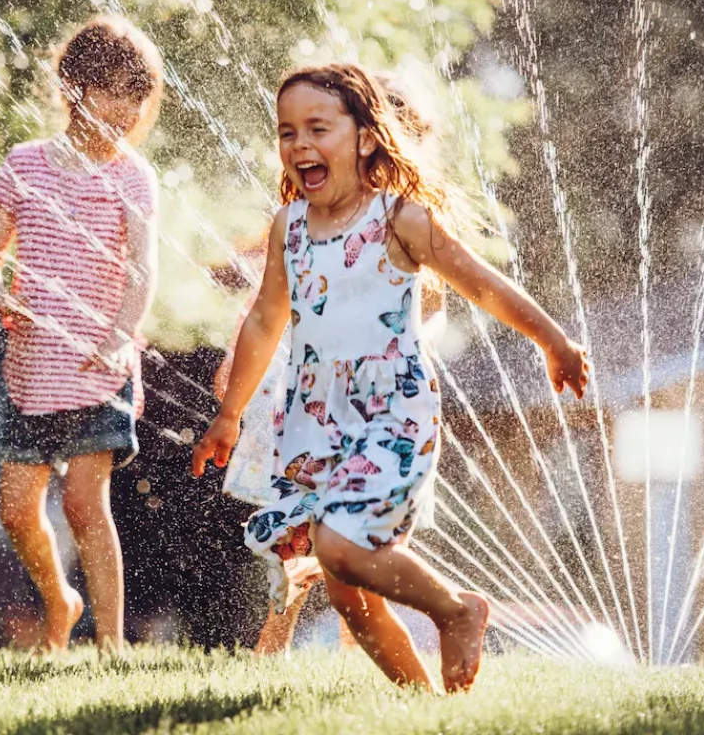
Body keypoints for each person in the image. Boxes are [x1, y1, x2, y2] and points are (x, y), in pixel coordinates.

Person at [192, 63, 588, 693]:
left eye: (317, 128)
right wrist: (230, 412)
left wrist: (553, 339)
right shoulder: (288, 227)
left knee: (341, 547)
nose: (299, 145)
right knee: (351, 597)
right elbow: (266, 320)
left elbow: (480, 284)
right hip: (314, 422)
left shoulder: (399, 218)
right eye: (286, 131)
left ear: (366, 138)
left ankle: (457, 610)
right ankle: (426, 707)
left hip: (390, 414)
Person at [213, 73, 447, 656]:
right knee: (296, 530)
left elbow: (428, 305)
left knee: (358, 540)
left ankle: (351, 645)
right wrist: (234, 396)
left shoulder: (406, 222)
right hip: (304, 400)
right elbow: (266, 310)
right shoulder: (306, 218)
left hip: (376, 411)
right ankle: (275, 642)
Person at [0, 16, 163, 652]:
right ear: (73, 87)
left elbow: (143, 268)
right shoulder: (24, 165)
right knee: (16, 510)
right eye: (113, 91)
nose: (127, 108)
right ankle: (61, 599)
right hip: (32, 372)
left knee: (85, 503)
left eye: (137, 96)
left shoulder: (133, 177)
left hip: (98, 369)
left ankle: (112, 645)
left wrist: (121, 334)